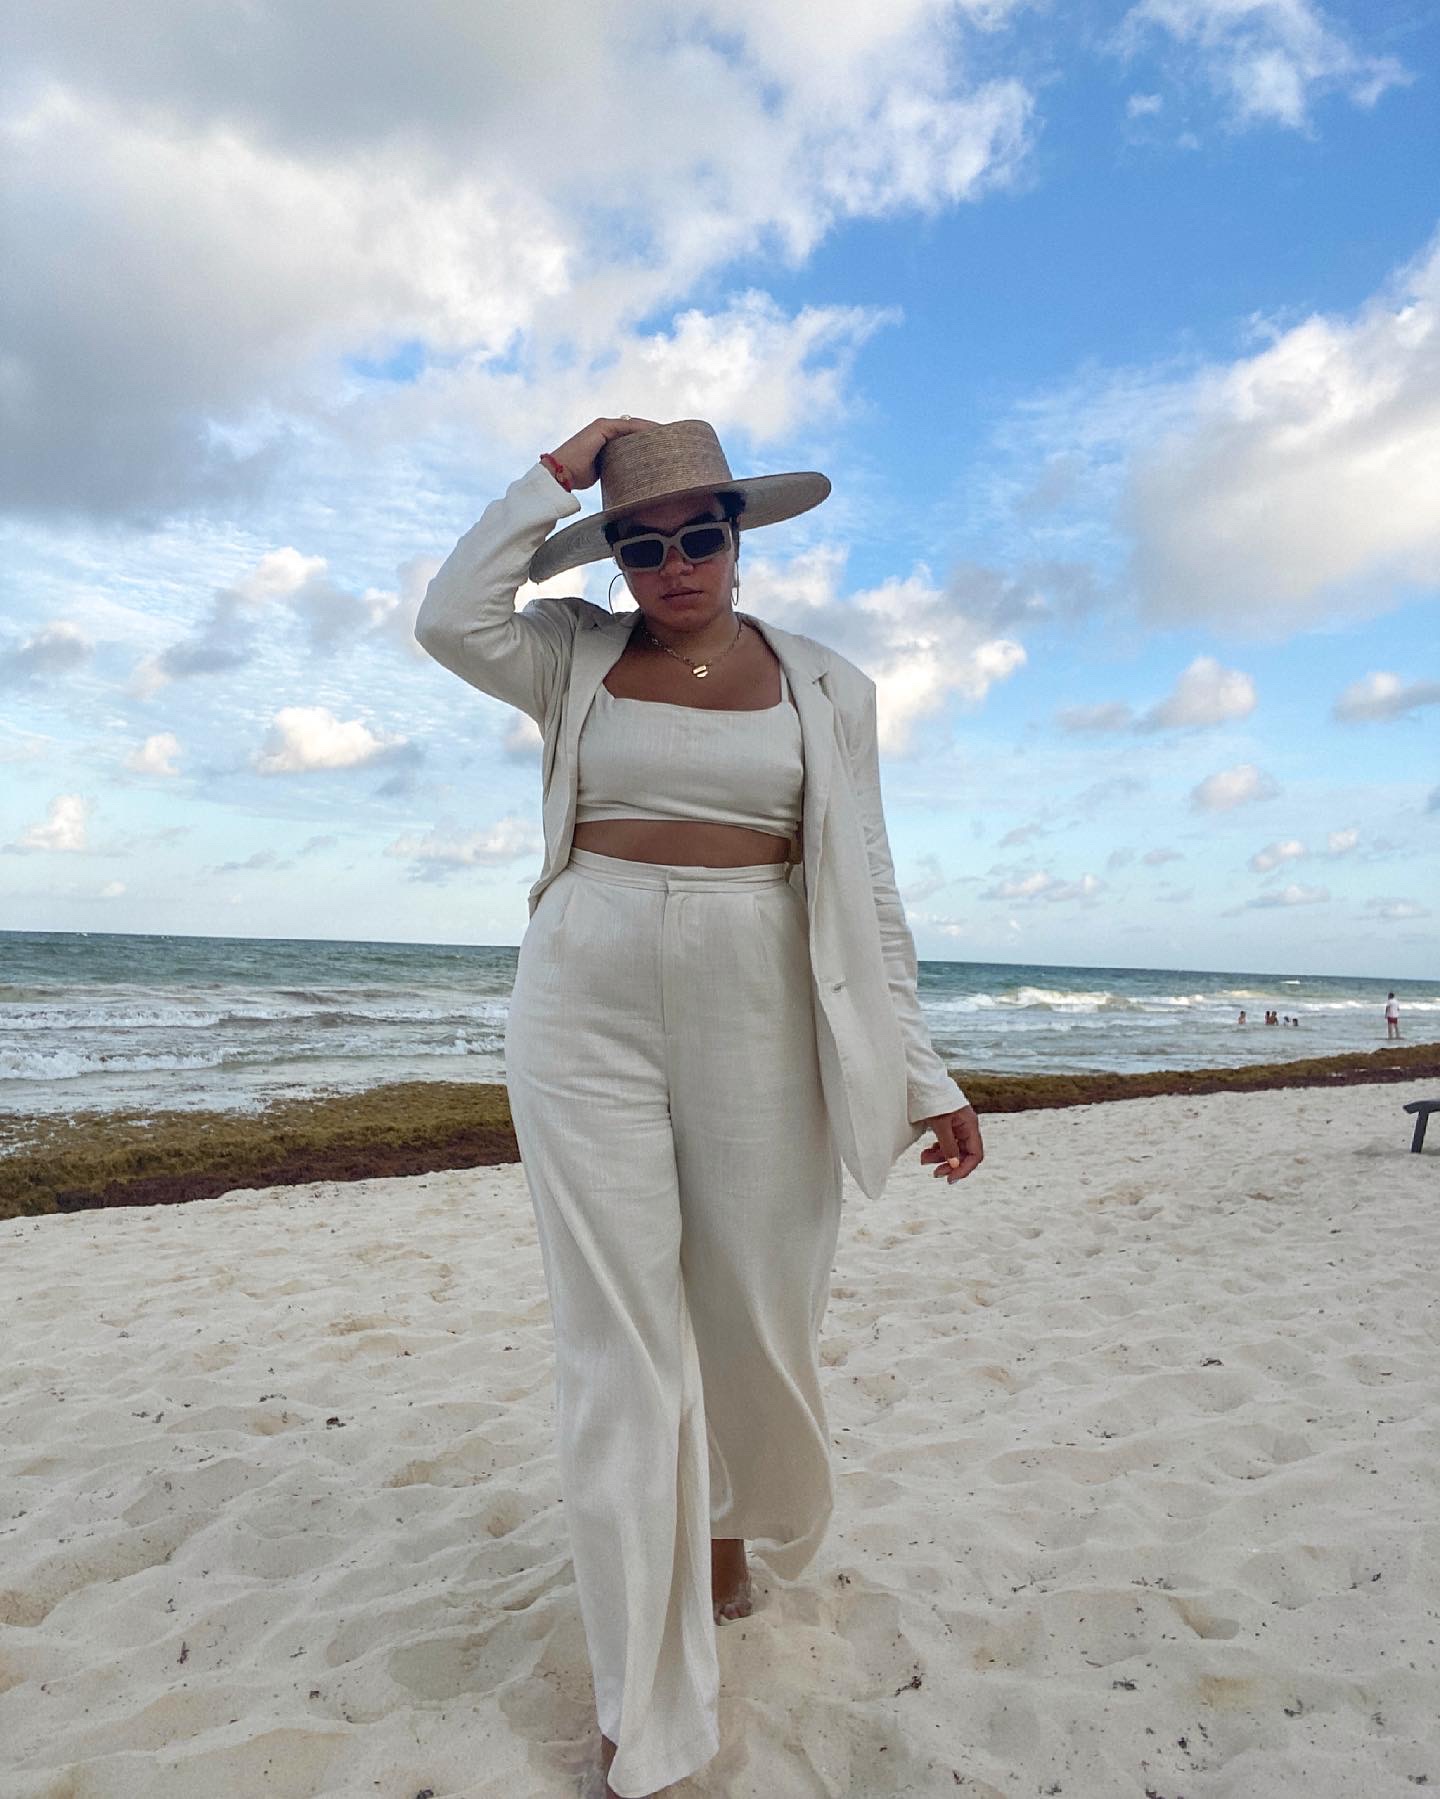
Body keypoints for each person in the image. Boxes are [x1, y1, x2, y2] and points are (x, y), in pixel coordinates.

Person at [414, 416, 984, 1799]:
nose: (674, 564)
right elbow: (448, 617)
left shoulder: (828, 686)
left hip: (764, 1000)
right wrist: (554, 477)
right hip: (585, 997)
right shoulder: (571, 657)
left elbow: (871, 892)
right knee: (620, 1350)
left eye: (698, 536)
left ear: (739, 537)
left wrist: (924, 1073)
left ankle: (727, 1521)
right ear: (614, 557)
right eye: (641, 543)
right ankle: (646, 1699)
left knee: (755, 1309)